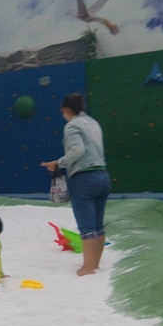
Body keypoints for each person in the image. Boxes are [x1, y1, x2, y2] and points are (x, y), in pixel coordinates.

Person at [41, 93, 111, 276]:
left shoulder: (72, 126)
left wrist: (59, 163)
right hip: (103, 175)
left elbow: (78, 149)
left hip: (84, 178)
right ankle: (95, 264)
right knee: (98, 226)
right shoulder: (94, 123)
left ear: (66, 110)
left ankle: (87, 267)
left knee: (87, 227)